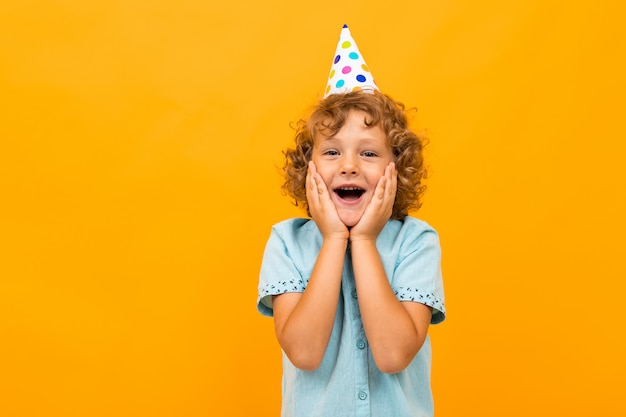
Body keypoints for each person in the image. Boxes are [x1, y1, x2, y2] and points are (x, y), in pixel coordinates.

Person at [257, 25, 445, 417]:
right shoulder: (286, 242)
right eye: (331, 152)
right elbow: (304, 353)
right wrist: (331, 241)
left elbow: (393, 354)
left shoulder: (417, 241)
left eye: (369, 154)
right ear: (308, 169)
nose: (348, 166)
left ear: (398, 169)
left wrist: (362, 241)